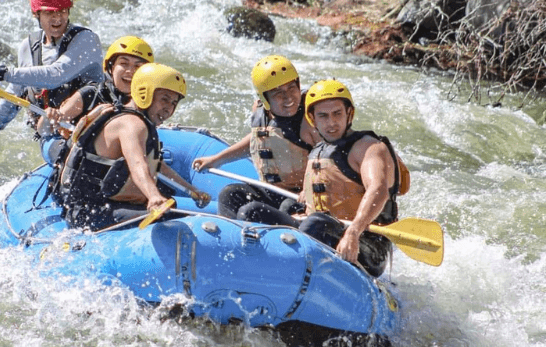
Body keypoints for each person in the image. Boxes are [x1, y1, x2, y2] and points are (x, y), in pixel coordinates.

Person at [237, 79, 410, 277]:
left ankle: (291, 277)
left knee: (317, 223)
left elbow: (378, 190)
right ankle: (251, 272)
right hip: (327, 230)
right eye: (323, 116)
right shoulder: (318, 150)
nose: (331, 123)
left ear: (349, 114)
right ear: (312, 119)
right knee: (253, 211)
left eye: (337, 114)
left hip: (365, 243)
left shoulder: (368, 147)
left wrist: (353, 232)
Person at [53, 63, 210, 230]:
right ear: (144, 92)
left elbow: (155, 165)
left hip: (102, 206)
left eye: (173, 103)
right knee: (173, 222)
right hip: (89, 213)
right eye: (164, 99)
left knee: (175, 208)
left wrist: (191, 190)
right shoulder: (131, 124)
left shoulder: (134, 119)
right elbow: (137, 165)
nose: (168, 109)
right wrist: (153, 196)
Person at [0, 0, 104, 150]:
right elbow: (14, 95)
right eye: (49, 12)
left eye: (62, 11)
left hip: (91, 131)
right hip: (51, 136)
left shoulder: (87, 39)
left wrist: (2, 73)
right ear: (36, 13)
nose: (58, 18)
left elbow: (57, 74)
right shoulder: (28, 47)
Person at [192, 55, 321, 219]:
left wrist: (308, 189)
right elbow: (258, 140)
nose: (288, 97)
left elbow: (328, 160)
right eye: (278, 93)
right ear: (265, 99)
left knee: (264, 210)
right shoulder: (259, 110)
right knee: (230, 194)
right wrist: (217, 159)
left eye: (291, 88)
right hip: (273, 190)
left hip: (302, 196)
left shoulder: (310, 118)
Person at [38, 35, 154, 138]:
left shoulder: (147, 102)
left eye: (138, 66)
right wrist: (48, 117)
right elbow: (45, 130)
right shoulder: (90, 94)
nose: (130, 71)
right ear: (111, 67)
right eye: (124, 63)